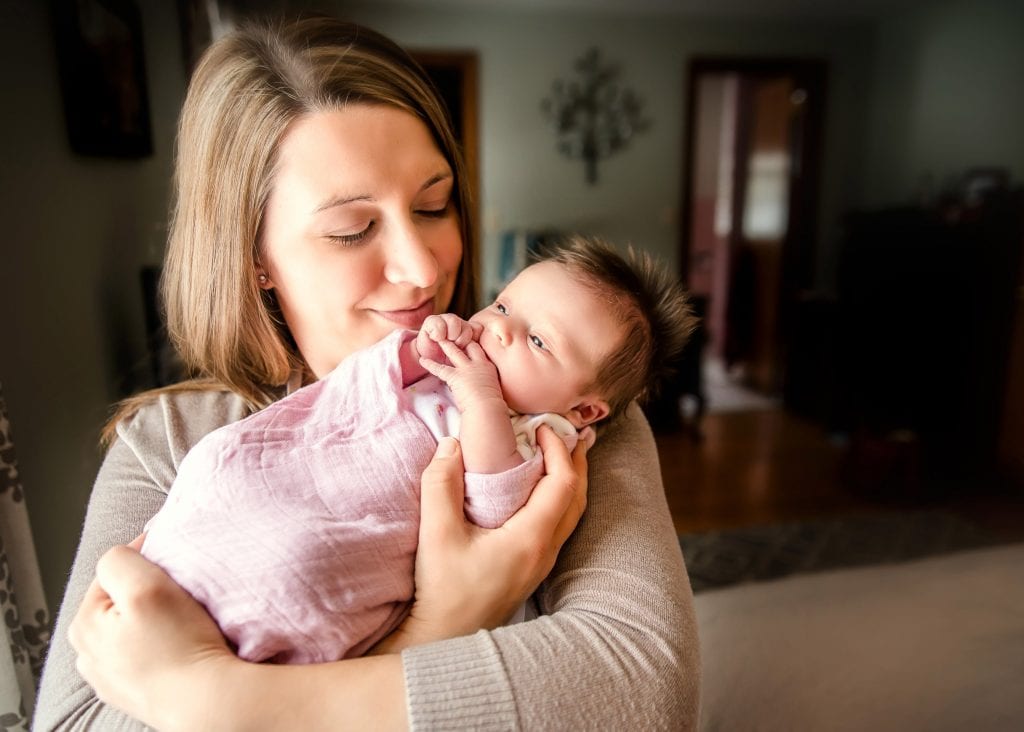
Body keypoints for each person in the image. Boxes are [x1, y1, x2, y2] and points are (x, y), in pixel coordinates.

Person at [33, 16, 701, 730]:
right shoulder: (164, 441)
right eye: (352, 229)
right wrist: (434, 628)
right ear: (253, 254)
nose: (424, 270)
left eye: (434, 205)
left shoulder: (565, 420)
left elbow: (644, 689)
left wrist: (216, 700)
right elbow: (74, 721)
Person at [139, 235, 695, 665]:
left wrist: (478, 398)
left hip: (340, 539)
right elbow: (365, 386)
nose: (497, 330)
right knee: (222, 463)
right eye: (502, 307)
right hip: (295, 476)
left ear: (585, 409)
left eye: (539, 340)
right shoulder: (157, 433)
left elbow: (494, 509)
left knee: (297, 572)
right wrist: (420, 348)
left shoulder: (541, 434)